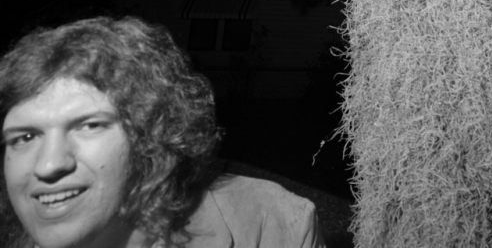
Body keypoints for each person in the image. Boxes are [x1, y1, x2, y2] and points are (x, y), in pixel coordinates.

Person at [0, 16, 324, 248]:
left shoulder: (270, 224)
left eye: (89, 125)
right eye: (25, 137)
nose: (48, 164)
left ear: (150, 138)